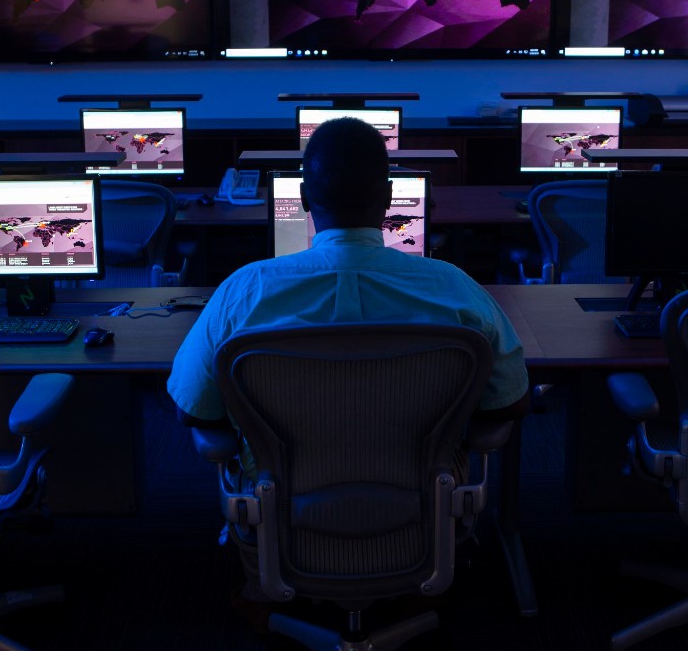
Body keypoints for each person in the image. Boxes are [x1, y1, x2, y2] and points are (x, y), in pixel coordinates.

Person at [168, 116, 529, 428]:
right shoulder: (456, 287)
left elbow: (195, 409)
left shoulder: (244, 291)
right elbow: (509, 401)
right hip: (426, 487)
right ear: (389, 197)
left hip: (278, 491)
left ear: (305, 197)